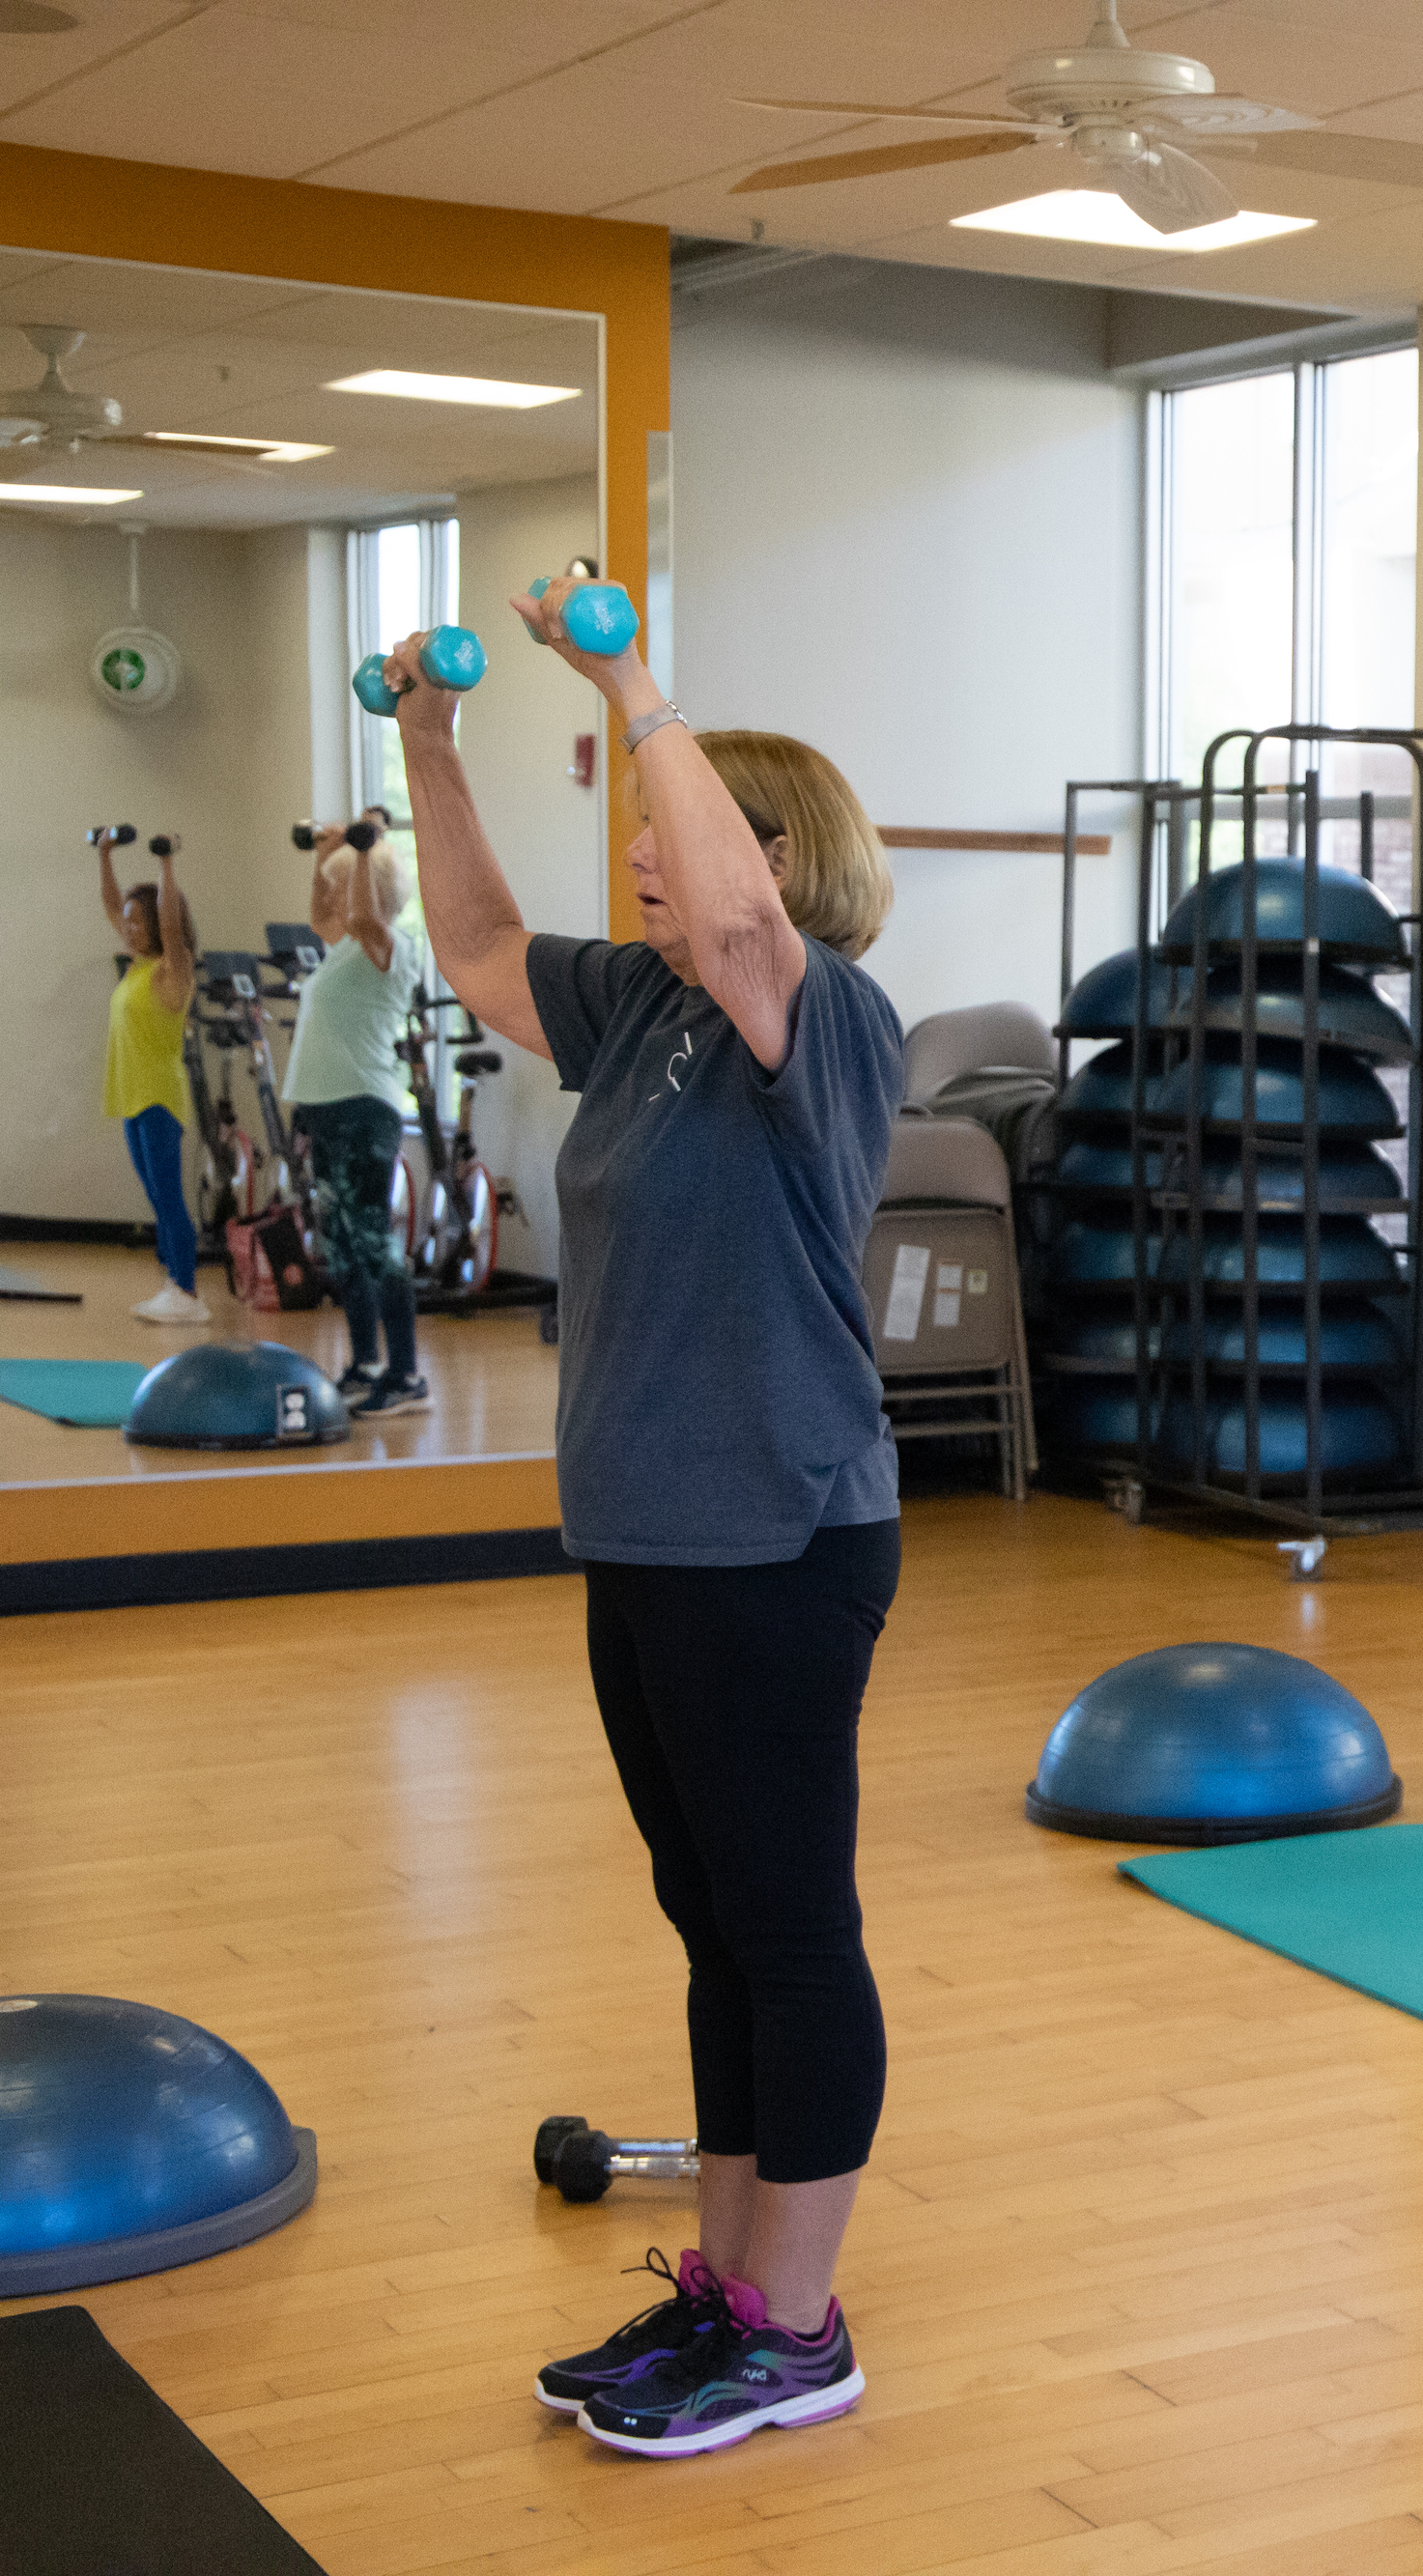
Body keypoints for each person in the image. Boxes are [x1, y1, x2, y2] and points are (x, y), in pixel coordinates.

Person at [390, 580, 904, 2461]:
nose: (639, 860)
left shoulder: (821, 1014)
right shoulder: (636, 1013)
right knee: (711, 1921)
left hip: (779, 1533)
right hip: (650, 1539)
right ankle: (732, 2294)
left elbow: (752, 919)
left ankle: (803, 2323)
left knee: (786, 1924)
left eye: (668, 831)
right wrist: (429, 748)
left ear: (769, 859)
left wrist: (627, 677)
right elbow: (473, 942)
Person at [284, 829, 429, 1413]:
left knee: (373, 1244)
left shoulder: (391, 946)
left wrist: (364, 852)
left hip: (365, 1110)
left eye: (348, 886)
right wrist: (326, 854)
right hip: (325, 1109)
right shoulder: (339, 949)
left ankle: (406, 1375)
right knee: (340, 1247)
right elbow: (325, 911)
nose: (338, 897)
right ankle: (366, 1361)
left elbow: (366, 917)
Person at [95, 835, 205, 1325]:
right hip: (133, 1095)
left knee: (168, 1194)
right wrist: (104, 857)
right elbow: (110, 907)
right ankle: (173, 1283)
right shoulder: (138, 966)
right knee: (155, 1193)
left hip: (160, 1094)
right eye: (128, 921)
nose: (129, 927)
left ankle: (186, 1290)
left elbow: (172, 923)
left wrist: (166, 864)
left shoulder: (171, 970)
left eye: (139, 920)